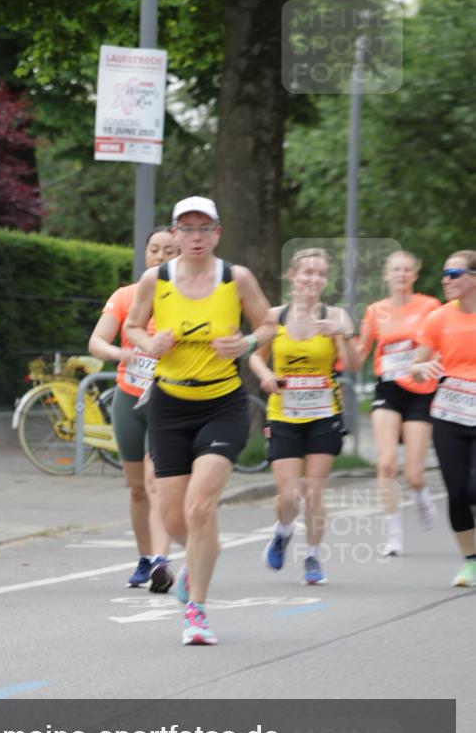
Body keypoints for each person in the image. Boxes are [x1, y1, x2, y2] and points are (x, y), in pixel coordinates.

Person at [125, 196, 274, 645]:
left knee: (200, 507)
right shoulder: (155, 280)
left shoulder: (235, 278)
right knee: (174, 519)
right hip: (169, 405)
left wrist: (246, 344)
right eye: (186, 228)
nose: (195, 236)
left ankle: (197, 612)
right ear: (175, 233)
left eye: (203, 228)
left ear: (216, 233)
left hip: (223, 404)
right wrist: (150, 344)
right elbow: (132, 326)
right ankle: (201, 552)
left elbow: (268, 324)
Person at [249, 248, 358, 585]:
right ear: (292, 275)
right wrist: (265, 375)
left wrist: (341, 334)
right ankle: (283, 530)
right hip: (283, 413)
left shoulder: (336, 315)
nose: (314, 279)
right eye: (307, 272)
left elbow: (353, 364)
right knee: (289, 492)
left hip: (324, 413)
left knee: (314, 490)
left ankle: (312, 556)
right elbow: (255, 356)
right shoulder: (274, 316)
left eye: (321, 274)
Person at [88, 227, 178, 592]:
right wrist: (119, 353)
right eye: (154, 249)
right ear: (145, 253)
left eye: (169, 251)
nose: (160, 256)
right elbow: (96, 341)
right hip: (129, 397)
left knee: (156, 481)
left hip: (167, 401)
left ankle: (160, 561)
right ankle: (144, 557)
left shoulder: (185, 299)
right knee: (137, 487)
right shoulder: (126, 296)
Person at [356, 251, 441, 555]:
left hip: (420, 390)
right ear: (386, 275)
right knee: (386, 463)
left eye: (407, 270)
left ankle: (420, 494)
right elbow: (359, 353)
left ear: (414, 275)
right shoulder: (375, 311)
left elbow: (442, 343)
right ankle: (394, 536)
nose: (401, 275)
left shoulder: (430, 306)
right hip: (388, 389)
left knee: (413, 474)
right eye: (396, 270)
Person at [410, 250, 476, 588]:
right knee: (458, 491)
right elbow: (416, 366)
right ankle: (470, 562)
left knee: (474, 488)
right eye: (444, 274)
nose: (445, 280)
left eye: (453, 274)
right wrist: (421, 367)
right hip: (449, 414)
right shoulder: (438, 318)